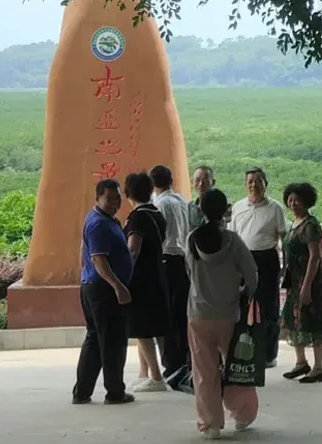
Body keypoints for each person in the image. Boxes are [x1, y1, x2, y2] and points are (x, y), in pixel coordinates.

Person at [186, 188, 259, 440]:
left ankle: (210, 425)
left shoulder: (191, 240)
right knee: (236, 365)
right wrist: (245, 294)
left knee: (204, 372)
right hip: (229, 314)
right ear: (226, 209)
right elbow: (252, 274)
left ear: (200, 209)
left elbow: (189, 274)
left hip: (198, 313)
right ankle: (242, 414)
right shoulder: (233, 241)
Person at [72, 179, 135, 405]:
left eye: (117, 199)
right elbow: (98, 259)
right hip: (104, 289)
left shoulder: (106, 220)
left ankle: (82, 392)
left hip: (94, 285)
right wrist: (118, 286)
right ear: (98, 197)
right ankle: (115, 392)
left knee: (96, 340)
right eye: (109, 199)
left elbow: (84, 253)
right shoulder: (98, 224)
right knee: (112, 342)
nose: (114, 203)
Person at [229, 166, 286, 369]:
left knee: (268, 307)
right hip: (243, 260)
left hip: (267, 259)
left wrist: (284, 265)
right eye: (250, 181)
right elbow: (232, 237)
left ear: (265, 184)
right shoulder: (238, 207)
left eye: (258, 181)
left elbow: (283, 238)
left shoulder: (275, 208)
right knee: (241, 305)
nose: (254, 185)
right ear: (245, 185)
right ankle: (244, 351)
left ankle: (269, 354)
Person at [280, 182, 322, 384]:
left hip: (310, 280)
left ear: (306, 202)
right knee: (296, 319)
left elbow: (314, 257)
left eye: (297, 200)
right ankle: (301, 362)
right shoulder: (294, 223)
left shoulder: (311, 225)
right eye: (290, 199)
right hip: (294, 279)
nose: (293, 203)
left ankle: (318, 366)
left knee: (314, 320)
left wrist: (306, 286)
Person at [122, 172, 171, 393]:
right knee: (143, 329)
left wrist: (122, 276)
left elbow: (133, 249)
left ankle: (156, 377)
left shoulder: (138, 217)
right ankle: (145, 373)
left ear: (127, 193)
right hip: (156, 276)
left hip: (140, 280)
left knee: (142, 330)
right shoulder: (156, 213)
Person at [150, 164, 191, 385]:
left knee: (165, 316)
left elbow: (159, 239)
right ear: (171, 180)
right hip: (182, 261)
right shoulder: (182, 202)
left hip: (166, 260)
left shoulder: (159, 205)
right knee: (181, 315)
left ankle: (171, 365)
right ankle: (184, 360)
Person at [188, 165, 215, 232]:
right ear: (192, 182)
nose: (201, 184)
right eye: (197, 180)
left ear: (213, 182)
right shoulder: (189, 207)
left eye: (205, 180)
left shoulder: (219, 207)